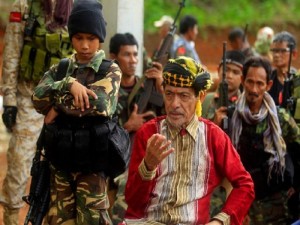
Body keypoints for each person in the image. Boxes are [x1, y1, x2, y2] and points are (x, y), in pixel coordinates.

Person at [124, 56, 255, 225]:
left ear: (200, 98)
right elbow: (133, 201)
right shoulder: (148, 133)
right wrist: (147, 166)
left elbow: (245, 186)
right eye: (169, 94)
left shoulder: (214, 137)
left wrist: (220, 221)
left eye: (184, 96)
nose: (174, 104)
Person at [31, 0, 125, 224]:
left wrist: (55, 106)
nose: (84, 45)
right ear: (71, 37)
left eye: (91, 39)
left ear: (99, 38)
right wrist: (67, 85)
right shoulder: (61, 68)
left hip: (92, 164)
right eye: (79, 38)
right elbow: (37, 98)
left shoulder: (109, 69)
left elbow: (99, 105)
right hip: (61, 160)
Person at [0, 0, 73, 224]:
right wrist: (9, 99)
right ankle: (12, 217)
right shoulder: (23, 6)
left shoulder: (73, 6)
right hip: (27, 98)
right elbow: (12, 53)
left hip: (62, 103)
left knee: (61, 171)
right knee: (20, 164)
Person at [230, 56, 300, 224]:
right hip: (244, 203)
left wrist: (296, 188)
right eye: (250, 82)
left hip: (277, 206)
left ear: (268, 85)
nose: (254, 89)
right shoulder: (231, 118)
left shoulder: (280, 118)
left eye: (260, 84)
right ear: (242, 81)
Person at [108, 32, 164, 225]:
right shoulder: (108, 91)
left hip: (146, 155)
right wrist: (127, 126)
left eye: (135, 55)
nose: (132, 60)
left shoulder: (146, 87)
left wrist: (161, 86)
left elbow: (170, 118)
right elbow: (101, 132)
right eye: (126, 55)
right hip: (118, 158)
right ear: (113, 57)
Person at [202, 50, 245, 123]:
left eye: (235, 72)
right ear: (218, 70)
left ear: (242, 78)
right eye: (226, 70)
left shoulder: (244, 104)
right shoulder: (207, 100)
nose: (229, 76)